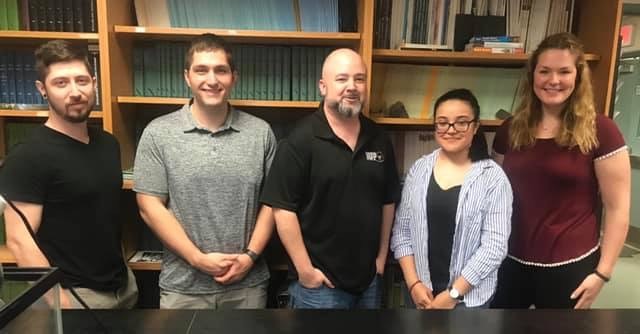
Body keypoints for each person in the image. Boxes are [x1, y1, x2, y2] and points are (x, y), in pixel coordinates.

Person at [133, 33, 276, 309]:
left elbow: (273, 204)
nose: (212, 80)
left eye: (220, 70)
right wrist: (197, 259)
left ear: (234, 77)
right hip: (183, 287)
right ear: (187, 77)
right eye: (201, 70)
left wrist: (250, 256)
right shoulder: (158, 133)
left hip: (248, 284)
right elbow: (149, 206)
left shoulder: (261, 133)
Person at [491, 32, 630, 309]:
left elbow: (618, 209)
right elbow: (494, 196)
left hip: (571, 267)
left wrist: (602, 273)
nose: (554, 80)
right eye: (545, 71)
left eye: (564, 71)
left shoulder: (601, 130)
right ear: (533, 76)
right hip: (510, 263)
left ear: (577, 77)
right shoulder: (510, 130)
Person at [0, 40, 138, 309]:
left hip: (123, 288)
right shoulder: (27, 156)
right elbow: (18, 241)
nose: (75, 92)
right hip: (73, 296)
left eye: (82, 81)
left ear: (94, 83)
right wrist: (59, 301)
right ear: (42, 89)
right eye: (61, 83)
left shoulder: (108, 144)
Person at [261, 48, 401, 309]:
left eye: (359, 79)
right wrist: (305, 270)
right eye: (342, 79)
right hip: (320, 287)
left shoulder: (379, 138)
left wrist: (381, 258)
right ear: (323, 87)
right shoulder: (299, 141)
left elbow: (388, 201)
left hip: (369, 281)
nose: (352, 87)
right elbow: (282, 209)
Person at [390, 89, 512, 309]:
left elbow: (494, 247)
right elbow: (402, 232)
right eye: (443, 122)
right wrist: (413, 284)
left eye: (461, 122)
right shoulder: (419, 169)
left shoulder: (493, 177)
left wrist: (453, 294)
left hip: (468, 301)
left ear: (475, 127)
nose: (451, 129)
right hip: (420, 295)